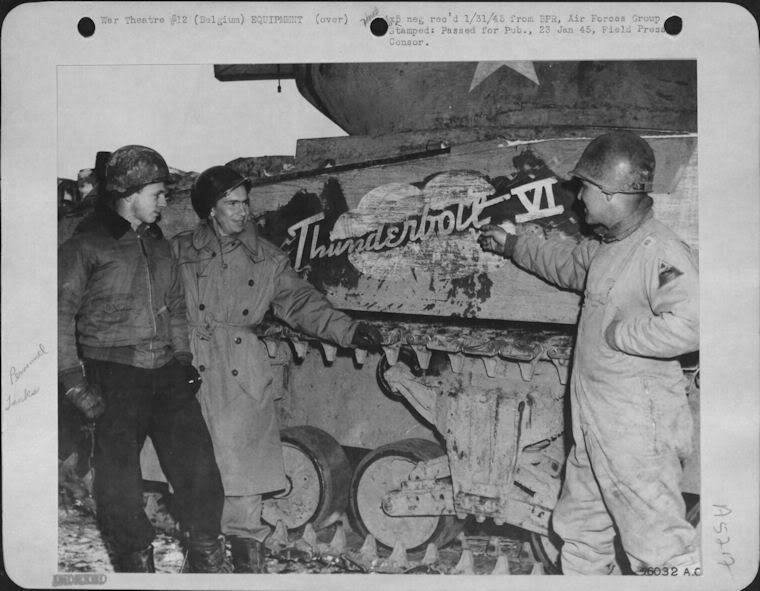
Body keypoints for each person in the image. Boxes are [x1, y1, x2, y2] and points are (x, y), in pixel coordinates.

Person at [478, 131, 700, 575]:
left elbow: (693, 323)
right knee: (580, 534)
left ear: (611, 192)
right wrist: (513, 244)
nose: (578, 198)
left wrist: (620, 335)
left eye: (584, 188)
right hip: (597, 424)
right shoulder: (609, 247)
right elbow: (566, 265)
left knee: (660, 549)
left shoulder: (659, 251)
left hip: (636, 431)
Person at [172, 165, 383, 573]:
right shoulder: (178, 251)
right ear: (210, 210)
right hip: (187, 365)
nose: (242, 211)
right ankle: (202, 564)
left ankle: (247, 567)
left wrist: (349, 330)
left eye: (245, 203)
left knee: (244, 477)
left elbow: (301, 303)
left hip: (240, 370)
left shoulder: (266, 258)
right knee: (192, 471)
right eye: (231, 204)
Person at [58, 145, 230, 573]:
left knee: (199, 469)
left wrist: (184, 358)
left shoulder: (158, 244)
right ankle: (136, 567)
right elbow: (58, 315)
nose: (165, 201)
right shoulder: (86, 245)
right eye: (157, 193)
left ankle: (206, 561)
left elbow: (176, 305)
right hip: (113, 375)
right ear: (129, 194)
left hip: (165, 372)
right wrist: (74, 383)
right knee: (118, 484)